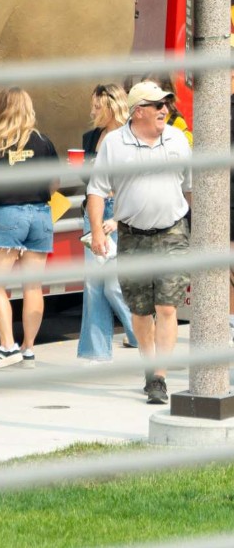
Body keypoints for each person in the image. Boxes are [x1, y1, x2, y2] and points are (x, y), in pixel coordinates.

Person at [87, 79, 191, 406]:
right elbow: (96, 190)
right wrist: (99, 232)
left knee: (167, 306)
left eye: (166, 104)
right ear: (138, 111)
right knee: (141, 310)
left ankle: (159, 376)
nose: (165, 110)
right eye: (157, 105)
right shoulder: (115, 144)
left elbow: (189, 188)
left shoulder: (177, 140)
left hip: (172, 232)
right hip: (132, 235)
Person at [0, 87, 59, 369]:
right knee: (33, 285)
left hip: (7, 215)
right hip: (41, 214)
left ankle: (7, 346)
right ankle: (28, 349)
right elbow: (55, 182)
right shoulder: (44, 142)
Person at [76, 83, 137, 361]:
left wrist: (117, 217)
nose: (92, 111)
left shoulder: (130, 138)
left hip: (121, 211)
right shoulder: (91, 138)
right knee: (94, 284)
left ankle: (142, 335)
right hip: (94, 211)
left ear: (112, 106)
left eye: (97, 106)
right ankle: (95, 352)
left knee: (114, 283)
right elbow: (90, 184)